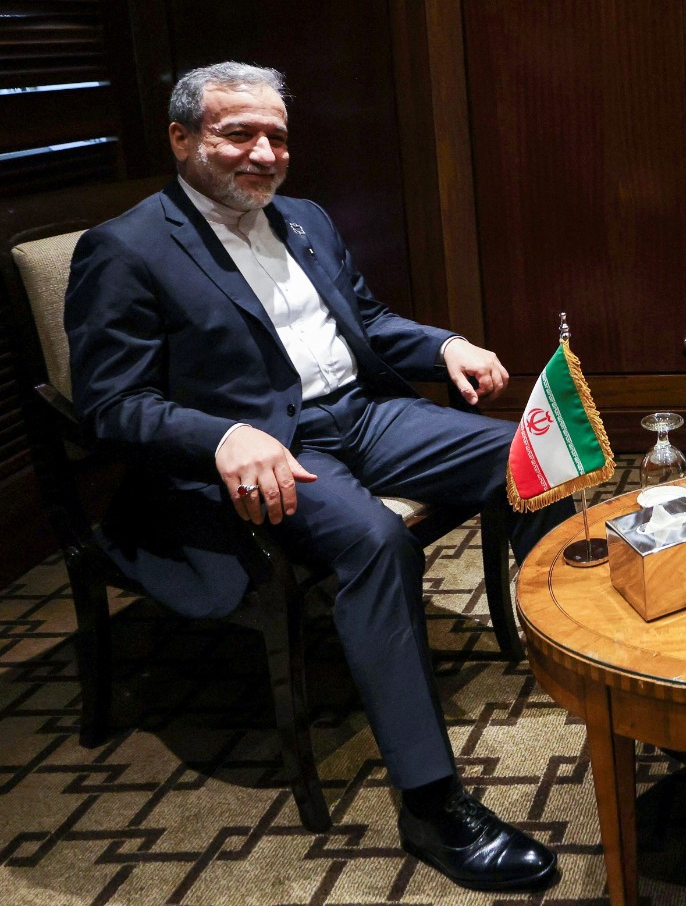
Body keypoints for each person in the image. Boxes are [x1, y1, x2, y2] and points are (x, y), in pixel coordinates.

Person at [65, 63, 569, 894]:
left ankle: (575, 653)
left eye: (277, 136)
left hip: (363, 415)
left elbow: (363, 319)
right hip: (268, 448)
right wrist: (222, 434)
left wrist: (444, 344)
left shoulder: (304, 218)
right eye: (239, 134)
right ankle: (431, 801)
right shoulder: (126, 248)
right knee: (376, 541)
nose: (264, 153)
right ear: (182, 139)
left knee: (533, 455)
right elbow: (110, 406)